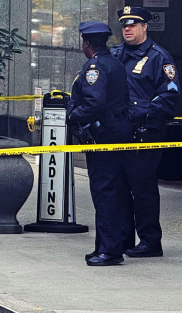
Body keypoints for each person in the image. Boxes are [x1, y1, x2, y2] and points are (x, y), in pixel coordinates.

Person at [111, 6, 180, 257]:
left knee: (143, 189)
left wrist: (143, 111)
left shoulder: (159, 57)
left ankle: (150, 241)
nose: (127, 29)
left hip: (144, 133)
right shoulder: (115, 54)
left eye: (133, 25)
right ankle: (124, 238)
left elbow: (170, 95)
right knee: (119, 189)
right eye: (124, 25)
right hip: (118, 133)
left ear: (144, 27)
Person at [67, 21, 133, 266]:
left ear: (86, 43)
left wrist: (72, 115)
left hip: (105, 135)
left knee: (104, 192)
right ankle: (110, 245)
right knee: (115, 191)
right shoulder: (114, 62)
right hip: (117, 131)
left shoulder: (95, 66)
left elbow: (94, 102)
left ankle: (109, 250)